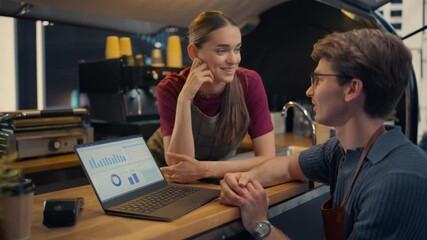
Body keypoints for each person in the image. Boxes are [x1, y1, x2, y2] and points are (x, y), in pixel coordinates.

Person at [219, 28, 427, 239]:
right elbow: (288, 167)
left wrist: (259, 224)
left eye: (317, 80)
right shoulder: (343, 151)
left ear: (352, 89)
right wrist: (242, 184)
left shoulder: (397, 181)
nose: (309, 91)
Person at [147, 10, 275, 183]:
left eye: (237, 49)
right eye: (222, 50)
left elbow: (268, 158)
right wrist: (184, 98)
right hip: (160, 172)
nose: (234, 60)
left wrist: (207, 169)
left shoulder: (249, 83)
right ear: (194, 52)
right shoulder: (171, 87)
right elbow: (178, 166)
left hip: (212, 173)